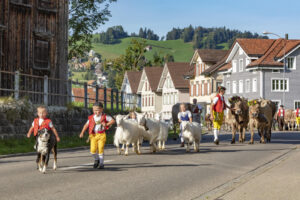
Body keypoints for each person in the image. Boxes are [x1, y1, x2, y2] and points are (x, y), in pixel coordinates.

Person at [79, 102, 115, 169]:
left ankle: (101, 164)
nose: (96, 111)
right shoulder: (91, 117)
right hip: (93, 135)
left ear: (102, 109)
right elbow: (86, 125)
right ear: (93, 110)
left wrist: (106, 124)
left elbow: (113, 121)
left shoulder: (105, 116)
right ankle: (96, 159)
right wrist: (82, 132)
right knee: (92, 151)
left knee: (100, 149)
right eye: (95, 110)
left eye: (98, 109)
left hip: (101, 135)